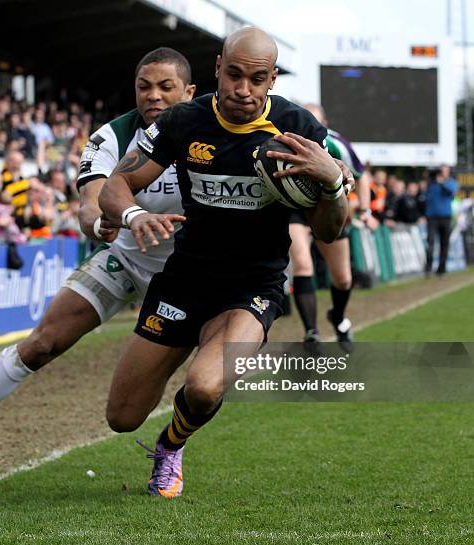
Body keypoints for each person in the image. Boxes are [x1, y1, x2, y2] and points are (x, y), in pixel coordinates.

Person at [0, 47, 196, 472]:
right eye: (145, 87)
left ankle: (172, 445)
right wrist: (99, 225)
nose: (153, 97)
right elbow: (89, 205)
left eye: (166, 87)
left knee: (129, 415)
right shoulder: (111, 137)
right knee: (42, 341)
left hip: (187, 274)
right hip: (124, 257)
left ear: (189, 91)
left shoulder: (208, 133)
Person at [98, 27, 351, 498]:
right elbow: (116, 186)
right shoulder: (182, 121)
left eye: (257, 79)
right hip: (185, 281)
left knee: (205, 387)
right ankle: (159, 419)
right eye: (233, 75)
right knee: (121, 416)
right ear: (217, 68)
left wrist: (333, 183)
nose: (243, 90)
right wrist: (133, 216)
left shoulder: (299, 130)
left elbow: (331, 230)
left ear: (272, 79)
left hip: (251, 287)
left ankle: (170, 446)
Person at [289, 103, 375, 353]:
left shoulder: (337, 143)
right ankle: (311, 333)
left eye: (315, 122)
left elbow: (362, 176)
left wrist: (366, 211)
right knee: (303, 265)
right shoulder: (285, 141)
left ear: (324, 124)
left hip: (330, 210)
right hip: (296, 211)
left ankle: (337, 317)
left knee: (343, 278)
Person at [425, 165, 458, 277]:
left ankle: (441, 268)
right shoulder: (431, 183)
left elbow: (452, 191)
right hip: (432, 217)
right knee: (430, 241)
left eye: (444, 170)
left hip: (445, 217)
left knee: (445, 243)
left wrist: (442, 182)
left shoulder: (451, 182)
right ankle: (428, 267)